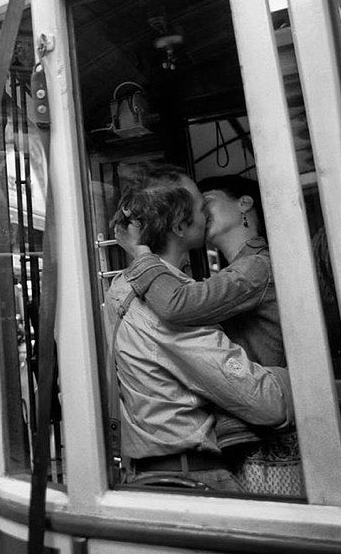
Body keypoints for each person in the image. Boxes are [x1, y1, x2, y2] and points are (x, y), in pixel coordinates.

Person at [115, 171, 301, 494]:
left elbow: (179, 303)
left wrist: (140, 254)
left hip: (206, 459)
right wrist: (300, 379)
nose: (204, 211)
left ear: (245, 205)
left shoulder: (123, 288)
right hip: (201, 467)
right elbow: (264, 401)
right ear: (179, 225)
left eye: (208, 201)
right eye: (200, 205)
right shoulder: (159, 296)